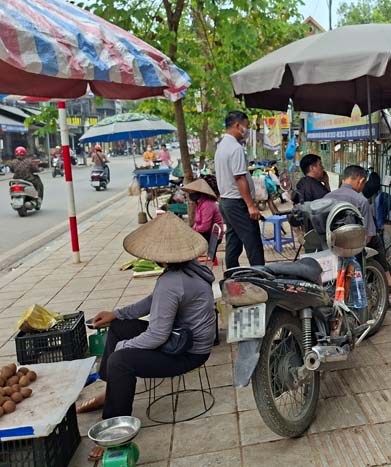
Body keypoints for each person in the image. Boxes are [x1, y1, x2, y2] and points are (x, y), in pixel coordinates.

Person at [76, 213, 216, 461]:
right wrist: (117, 314)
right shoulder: (190, 269)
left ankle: (113, 429)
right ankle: (112, 391)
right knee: (119, 327)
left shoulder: (173, 281)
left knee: (121, 360)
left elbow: (157, 335)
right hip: (180, 337)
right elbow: (153, 303)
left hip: (187, 352)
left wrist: (123, 348)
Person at [325, 165, 391, 293]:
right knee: (376, 239)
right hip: (352, 247)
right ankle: (389, 280)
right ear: (361, 181)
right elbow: (368, 236)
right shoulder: (361, 201)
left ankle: (388, 280)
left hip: (329, 244)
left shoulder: (327, 197)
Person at [215, 111, 264, 268]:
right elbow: (239, 178)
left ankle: (231, 276)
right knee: (253, 242)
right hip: (237, 202)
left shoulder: (222, 146)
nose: (247, 130)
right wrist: (250, 205)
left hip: (226, 201)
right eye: (246, 126)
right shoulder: (235, 148)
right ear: (237, 125)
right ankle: (261, 277)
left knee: (234, 241)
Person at [183, 178, 224, 247]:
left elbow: (205, 227)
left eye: (192, 192)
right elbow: (197, 223)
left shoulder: (207, 204)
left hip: (213, 236)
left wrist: (194, 231)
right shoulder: (199, 204)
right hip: (205, 233)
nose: (191, 194)